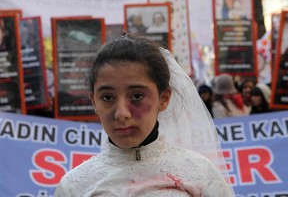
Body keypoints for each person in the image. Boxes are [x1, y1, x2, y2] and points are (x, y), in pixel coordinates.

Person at [54, 35, 234, 196]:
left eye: (137, 96)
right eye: (107, 97)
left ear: (163, 99)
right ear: (94, 102)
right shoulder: (73, 187)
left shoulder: (200, 174)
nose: (122, 114)